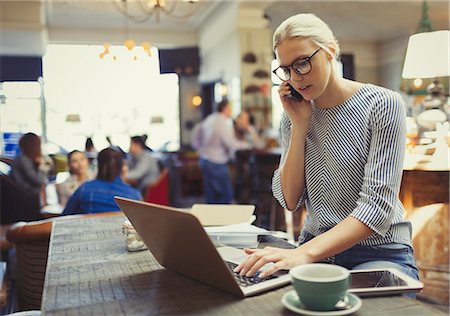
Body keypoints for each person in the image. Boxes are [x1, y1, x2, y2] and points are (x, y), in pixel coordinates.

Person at [234, 13, 419, 282]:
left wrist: (305, 253)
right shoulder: (293, 115)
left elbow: (377, 208)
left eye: (302, 63)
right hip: (315, 251)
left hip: (377, 253)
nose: (295, 78)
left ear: (330, 51)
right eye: (286, 70)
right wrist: (299, 125)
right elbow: (290, 198)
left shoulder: (383, 104)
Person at [192, 100, 250, 204]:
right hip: (216, 162)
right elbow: (230, 143)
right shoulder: (222, 122)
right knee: (226, 194)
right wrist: (247, 145)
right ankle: (223, 219)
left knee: (211, 196)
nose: (231, 111)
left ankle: (211, 219)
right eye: (230, 108)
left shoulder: (210, 118)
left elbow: (197, 133)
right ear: (225, 108)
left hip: (205, 159)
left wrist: (200, 148)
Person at [62, 147, 141, 215]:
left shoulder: (84, 189)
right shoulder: (134, 196)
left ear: (99, 165)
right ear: (122, 167)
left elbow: (64, 217)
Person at [10, 133, 51, 199]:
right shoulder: (23, 159)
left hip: (30, 193)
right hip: (26, 195)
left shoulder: (29, 158)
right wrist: (42, 165)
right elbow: (39, 180)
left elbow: (50, 165)